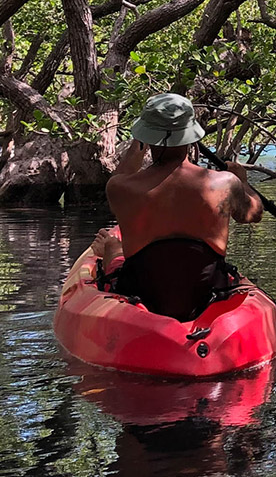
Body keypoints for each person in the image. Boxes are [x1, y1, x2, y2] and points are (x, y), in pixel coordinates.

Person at [91, 93, 265, 320]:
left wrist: (140, 141)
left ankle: (112, 249)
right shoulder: (224, 183)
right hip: (206, 294)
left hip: (141, 292)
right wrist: (242, 181)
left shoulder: (120, 187)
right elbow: (253, 213)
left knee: (114, 247)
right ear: (192, 137)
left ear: (146, 138)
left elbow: (122, 174)